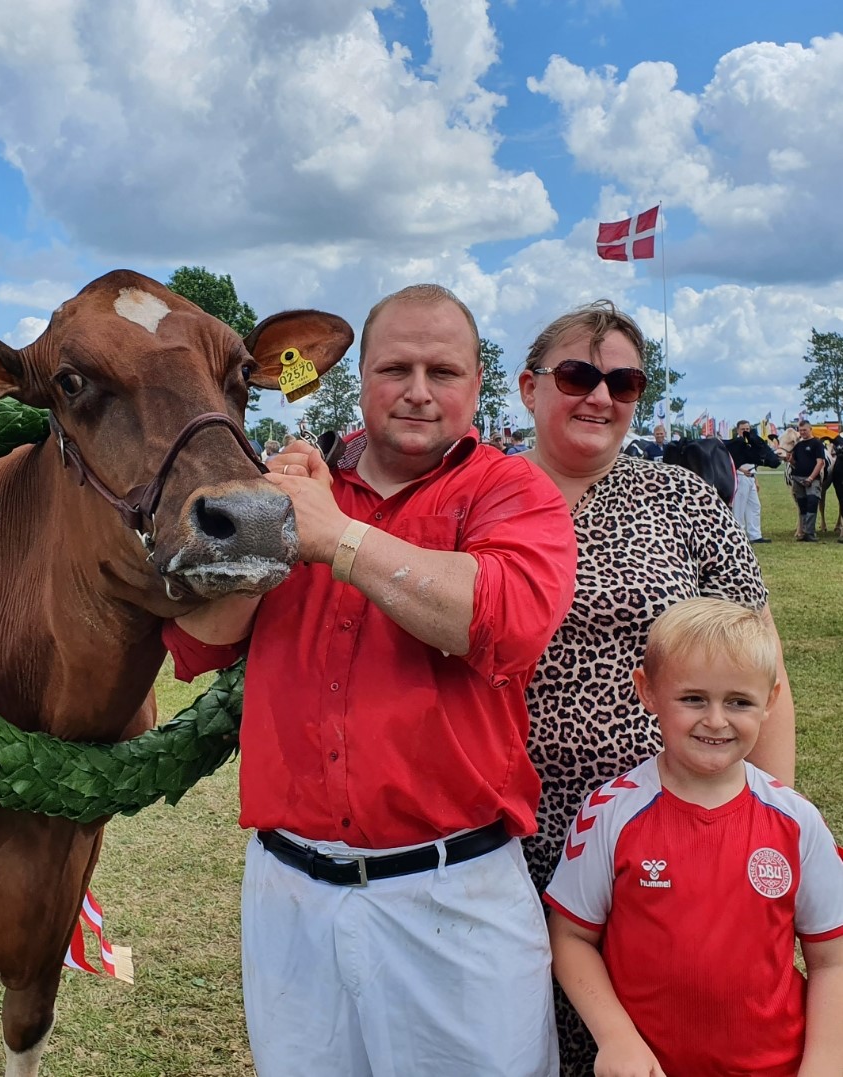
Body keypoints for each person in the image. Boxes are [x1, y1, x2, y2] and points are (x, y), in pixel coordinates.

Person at [163, 284, 578, 1076]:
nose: (418, 391)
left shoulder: (510, 489)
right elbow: (198, 643)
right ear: (360, 378)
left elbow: (504, 617)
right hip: (291, 888)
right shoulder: (293, 489)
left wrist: (336, 537)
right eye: (395, 368)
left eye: (442, 370)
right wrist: (269, 529)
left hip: (453, 892)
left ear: (477, 380)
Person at [515, 299, 796, 1075]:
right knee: (521, 1037)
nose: (599, 396)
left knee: (653, 1035)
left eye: (623, 381)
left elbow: (760, 667)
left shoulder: (680, 500)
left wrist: (761, 825)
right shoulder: (478, 499)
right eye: (576, 374)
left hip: (672, 829)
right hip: (501, 835)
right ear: (526, 387)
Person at [546, 598, 843, 1076]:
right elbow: (571, 936)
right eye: (693, 699)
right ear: (648, 691)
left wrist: (826, 1063)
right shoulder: (610, 813)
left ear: (770, 700)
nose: (716, 720)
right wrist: (617, 1039)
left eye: (739, 701)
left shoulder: (797, 822)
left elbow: (832, 960)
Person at [725, 418, 774, 543]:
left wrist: (755, 479)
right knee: (739, 508)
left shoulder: (751, 443)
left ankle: (755, 535)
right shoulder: (735, 443)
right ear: (738, 430)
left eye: (747, 429)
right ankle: (738, 534)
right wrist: (740, 469)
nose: (745, 431)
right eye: (743, 429)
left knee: (755, 506)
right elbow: (729, 460)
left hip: (751, 476)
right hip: (740, 477)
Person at [788, 419, 827, 542]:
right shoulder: (798, 445)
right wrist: (790, 460)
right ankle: (804, 532)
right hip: (798, 478)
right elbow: (796, 463)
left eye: (805, 430)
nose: (802, 432)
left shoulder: (817, 443)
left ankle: (810, 532)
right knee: (802, 505)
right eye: (800, 430)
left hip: (812, 479)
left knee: (812, 503)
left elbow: (820, 462)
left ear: (810, 429)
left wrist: (811, 478)